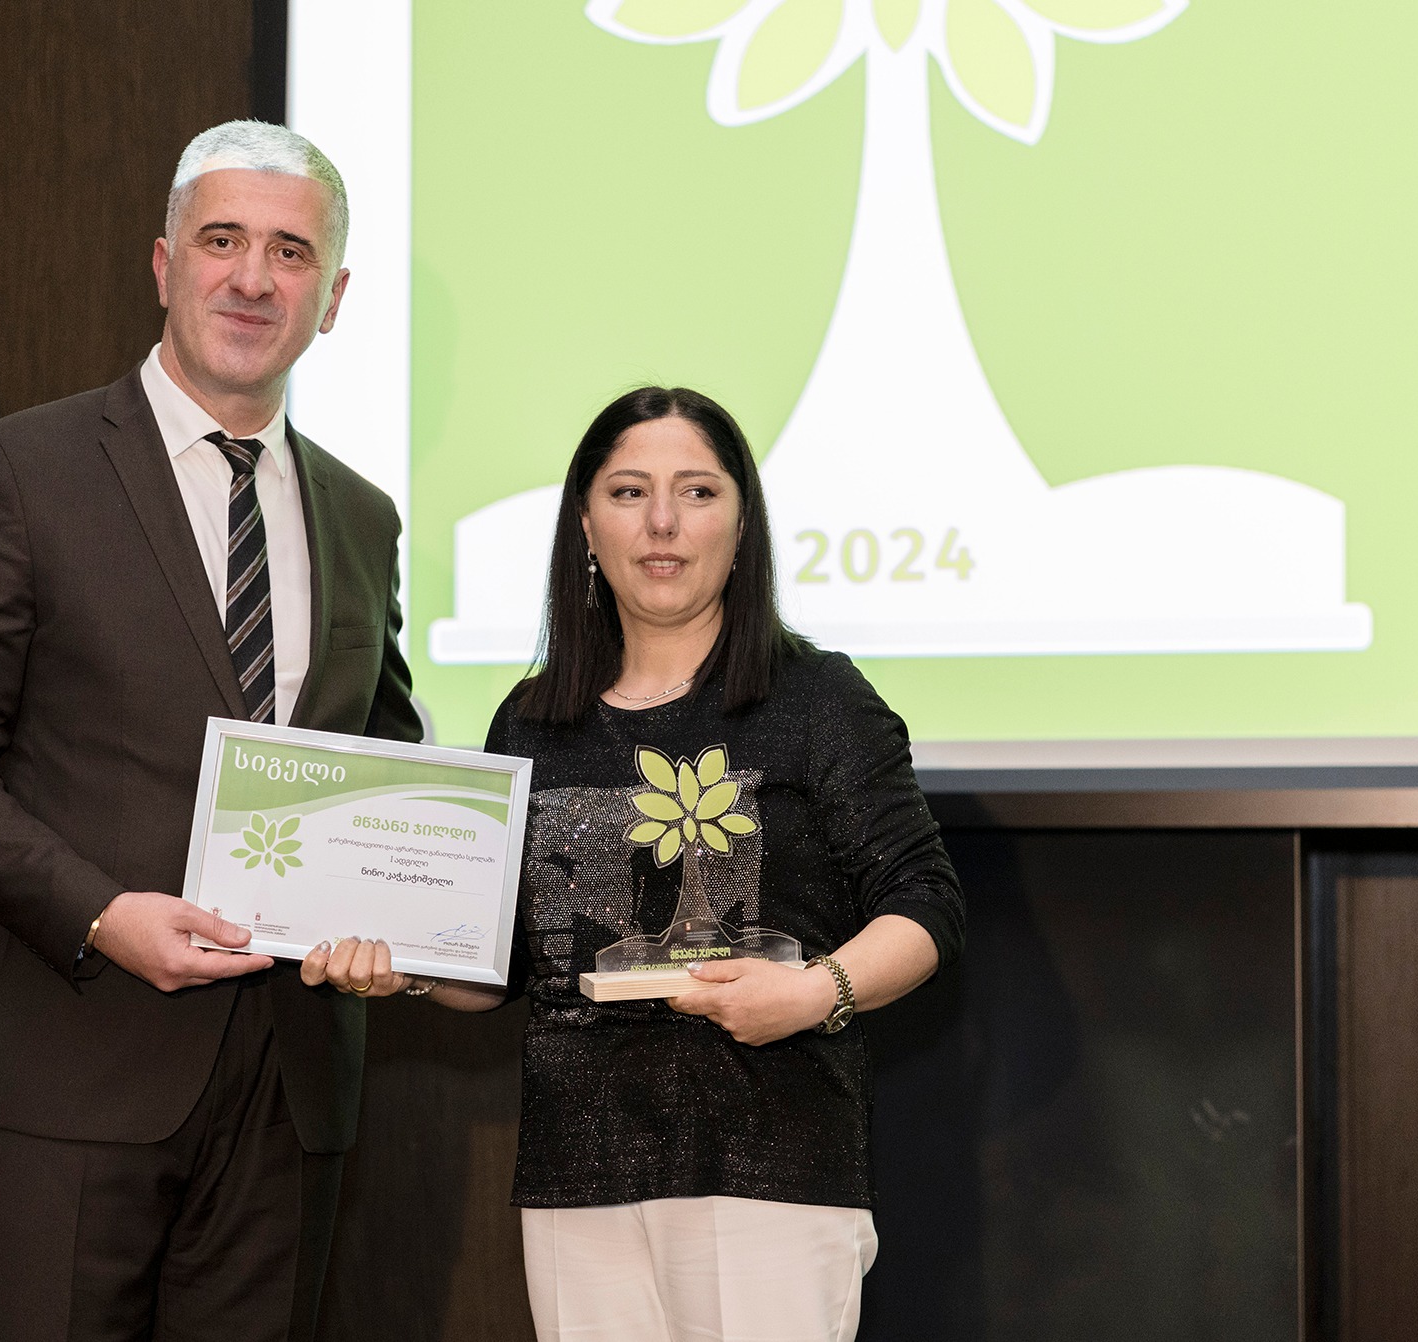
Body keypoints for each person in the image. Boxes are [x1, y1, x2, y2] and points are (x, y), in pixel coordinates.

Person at [0, 120, 420, 1340]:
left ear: (333, 300)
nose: (252, 277)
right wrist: (100, 912)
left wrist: (420, 914)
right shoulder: (17, 471)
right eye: (222, 241)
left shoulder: (363, 515)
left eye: (290, 253)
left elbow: (379, 761)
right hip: (62, 1067)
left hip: (288, 1092)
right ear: (165, 265)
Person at [307, 386, 964, 1342]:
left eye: (697, 491)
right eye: (628, 492)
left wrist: (813, 993)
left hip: (769, 1169)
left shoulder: (817, 698)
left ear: (742, 523)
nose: (662, 522)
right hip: (577, 1178)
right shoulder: (532, 720)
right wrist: (403, 967)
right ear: (585, 523)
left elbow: (926, 902)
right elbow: (504, 964)